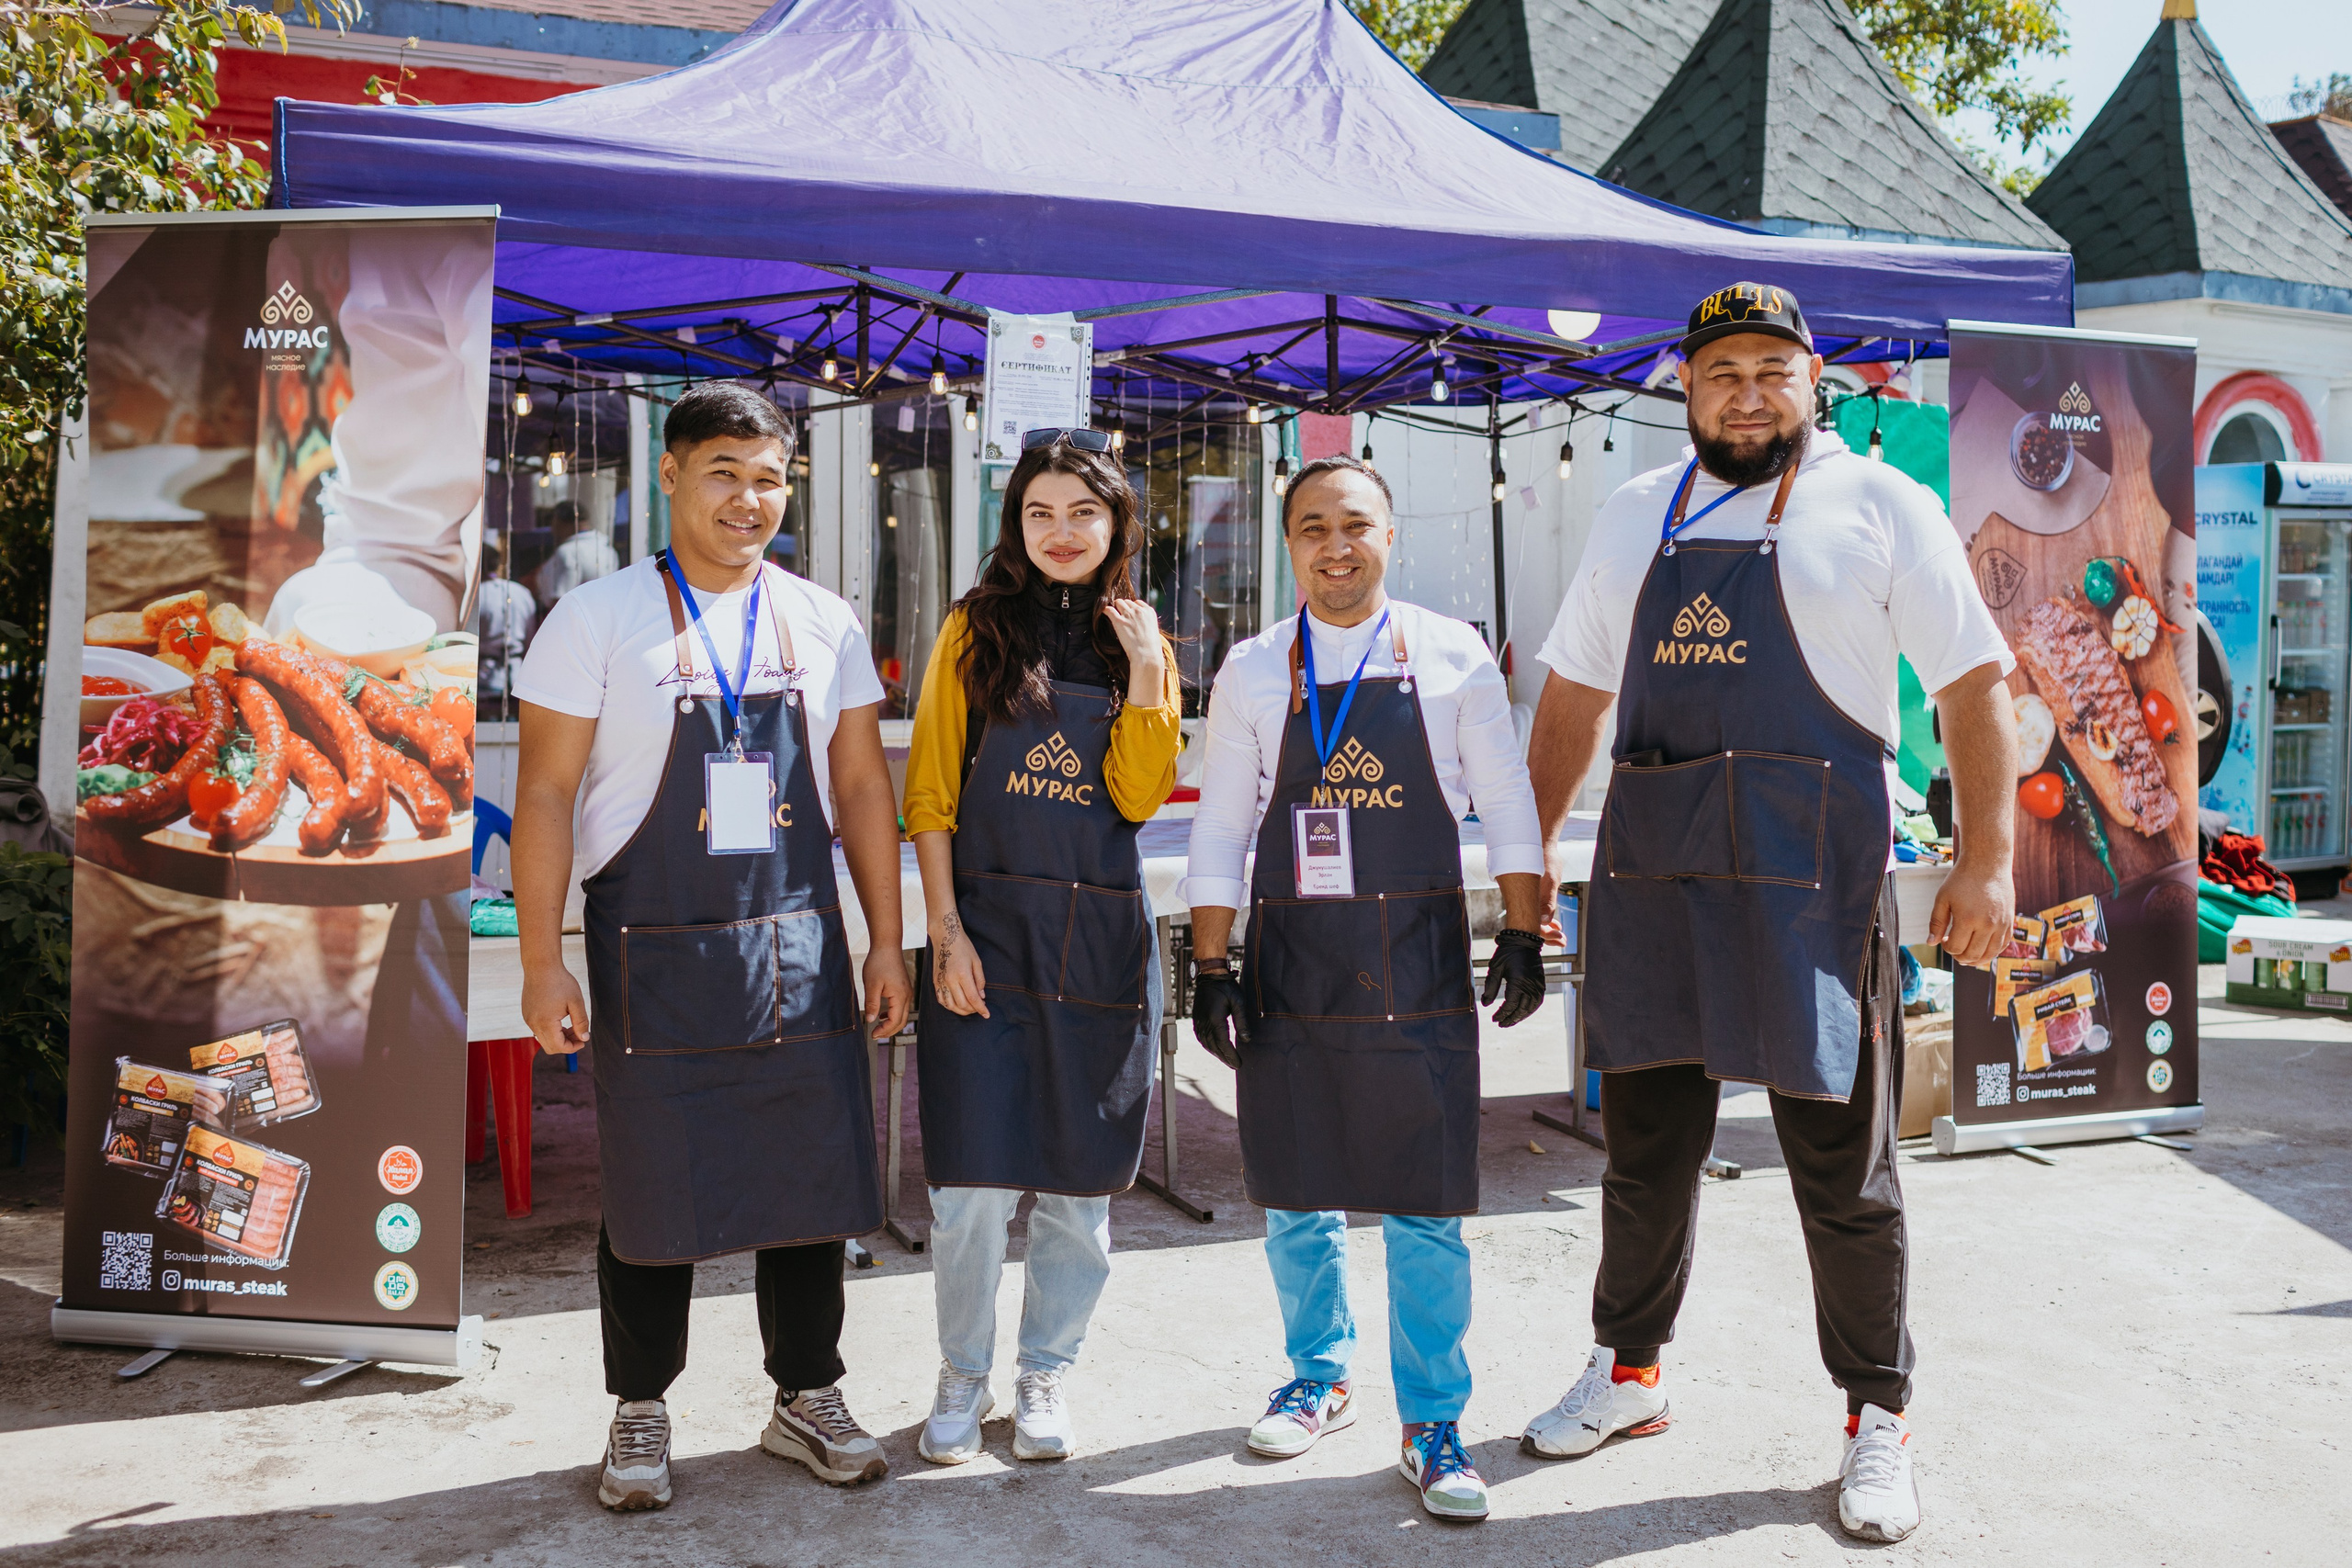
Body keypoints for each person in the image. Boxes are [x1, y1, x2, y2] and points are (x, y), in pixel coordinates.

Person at [1516, 283, 2016, 1545]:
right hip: (1659, 880)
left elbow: (1971, 689)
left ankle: (1877, 1414)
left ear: (1813, 380)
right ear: (1685, 386)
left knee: (1845, 1171)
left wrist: (1988, 864)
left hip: (1812, 886)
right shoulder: (1636, 513)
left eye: (1771, 369)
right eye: (1721, 370)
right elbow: (1574, 696)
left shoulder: (1881, 504)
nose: (1747, 391)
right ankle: (1630, 1371)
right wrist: (1523, 865)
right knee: (1645, 1152)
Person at [510, 381, 912, 1513]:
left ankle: (807, 1396)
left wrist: (889, 941)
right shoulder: (596, 619)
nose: (749, 498)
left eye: (769, 476)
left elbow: (859, 788)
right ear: (673, 475)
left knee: (813, 1176)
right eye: (725, 472)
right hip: (654, 953)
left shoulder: (822, 619)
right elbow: (542, 795)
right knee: (652, 1188)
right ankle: (640, 1411)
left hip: (798, 943)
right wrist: (544, 960)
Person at [1186, 456, 1550, 1523]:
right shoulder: (1253, 669)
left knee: (1423, 1205)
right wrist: (1209, 964)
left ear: (1390, 535)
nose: (1334, 546)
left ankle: (1433, 1418)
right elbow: (1221, 825)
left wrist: (1525, 929)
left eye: (1354, 525)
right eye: (1311, 528)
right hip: (1292, 959)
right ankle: (1319, 1375)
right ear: (1287, 543)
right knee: (1295, 1191)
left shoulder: (1449, 656)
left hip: (1419, 963)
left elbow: (1505, 802)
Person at [902, 428, 1181, 1465]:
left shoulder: (1140, 642)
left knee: (1077, 1183)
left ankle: (1045, 1372)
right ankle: (962, 1372)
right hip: (987, 932)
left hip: (1099, 941)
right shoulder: (975, 631)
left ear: (1116, 524)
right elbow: (928, 794)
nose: (1061, 532)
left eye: (1082, 512)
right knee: (970, 1184)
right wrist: (945, 934)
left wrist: (1150, 670)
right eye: (1039, 512)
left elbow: (1136, 796)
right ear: (1015, 524)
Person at [475, 539, 537, 704]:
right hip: (517, 675)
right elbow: (531, 638)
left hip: (485, 678)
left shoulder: (476, 596)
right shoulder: (521, 592)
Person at [535, 498, 623, 609]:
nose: (552, 529)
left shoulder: (568, 552)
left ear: (560, 521)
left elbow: (561, 600)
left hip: (573, 619)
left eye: (553, 521)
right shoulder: (607, 549)